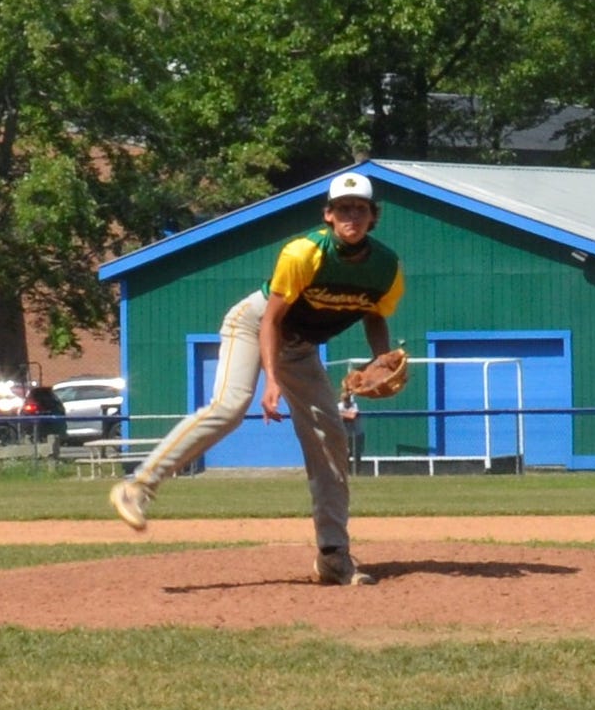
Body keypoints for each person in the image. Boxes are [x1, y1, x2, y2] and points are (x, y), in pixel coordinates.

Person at [110, 172, 405, 585]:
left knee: (330, 436)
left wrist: (380, 359)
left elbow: (374, 314)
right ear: (328, 215)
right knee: (230, 408)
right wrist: (272, 381)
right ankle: (139, 486)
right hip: (254, 326)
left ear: (373, 216)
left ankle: (333, 555)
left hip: (300, 348)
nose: (350, 215)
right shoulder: (305, 253)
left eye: (359, 208)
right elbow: (270, 319)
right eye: (342, 208)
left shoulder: (386, 267)